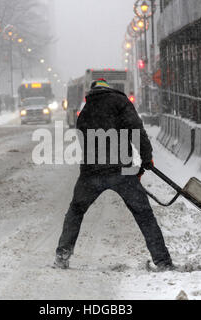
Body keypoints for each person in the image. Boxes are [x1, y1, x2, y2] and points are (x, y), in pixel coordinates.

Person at [54, 78, 173, 271]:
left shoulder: (86, 109)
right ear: (109, 89)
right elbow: (136, 129)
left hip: (92, 171)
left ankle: (62, 255)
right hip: (122, 169)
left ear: (93, 91)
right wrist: (146, 158)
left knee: (76, 211)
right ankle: (163, 261)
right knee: (144, 214)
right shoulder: (121, 102)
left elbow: (83, 137)